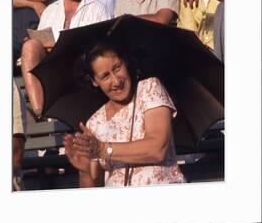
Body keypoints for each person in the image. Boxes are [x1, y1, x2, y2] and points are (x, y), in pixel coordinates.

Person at [64, 41, 186, 187]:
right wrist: (84, 172)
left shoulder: (149, 88)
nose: (116, 81)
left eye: (117, 67)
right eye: (105, 76)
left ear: (125, 61)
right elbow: (93, 190)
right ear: (94, 81)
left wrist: (103, 149)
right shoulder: (94, 123)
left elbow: (157, 149)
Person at [20, 0, 110, 116]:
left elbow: (102, 51)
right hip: (53, 74)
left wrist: (62, 48)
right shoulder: (50, 11)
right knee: (30, 46)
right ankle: (40, 109)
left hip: (83, 74)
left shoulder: (98, 10)